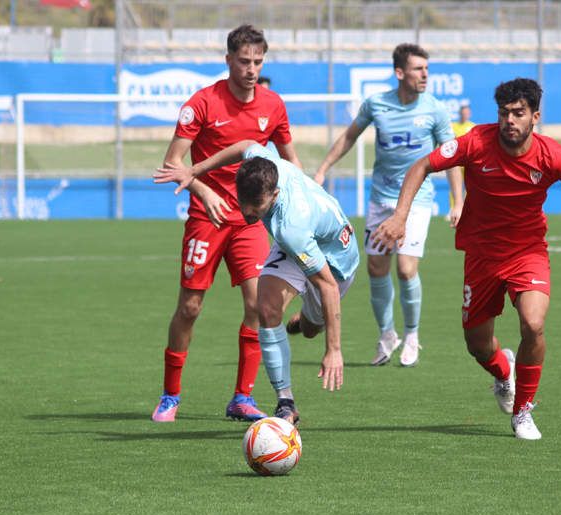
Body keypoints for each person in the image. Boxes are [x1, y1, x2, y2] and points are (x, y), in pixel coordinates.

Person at [371, 78, 561, 440]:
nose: (510, 121)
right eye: (504, 113)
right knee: (478, 345)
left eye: (519, 113)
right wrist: (401, 216)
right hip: (481, 258)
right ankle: (503, 374)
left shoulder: (550, 155)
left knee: (533, 324)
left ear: (535, 117)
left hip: (527, 254)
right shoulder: (475, 143)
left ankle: (523, 412)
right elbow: (421, 166)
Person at [150, 24, 301, 423]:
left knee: (257, 304)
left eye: (258, 62)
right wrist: (205, 191)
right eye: (244, 61)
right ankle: (170, 394)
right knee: (191, 307)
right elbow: (173, 164)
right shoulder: (202, 103)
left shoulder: (274, 105)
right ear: (228, 60)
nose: (251, 69)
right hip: (207, 217)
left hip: (250, 220)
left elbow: (291, 163)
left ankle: (241, 398)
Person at [156, 140, 360, 425]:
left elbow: (327, 285)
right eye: (244, 203)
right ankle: (286, 403)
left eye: (258, 206)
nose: (249, 212)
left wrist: (334, 350)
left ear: (275, 194)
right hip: (298, 245)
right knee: (265, 309)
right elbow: (245, 145)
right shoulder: (261, 163)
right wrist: (195, 170)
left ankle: (305, 320)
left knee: (313, 328)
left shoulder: (292, 228)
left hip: (335, 259)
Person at [312, 43, 463, 368]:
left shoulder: (435, 109)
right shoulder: (377, 104)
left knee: (406, 268)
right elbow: (349, 136)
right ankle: (387, 334)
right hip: (380, 198)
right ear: (400, 73)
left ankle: (411, 335)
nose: (425, 75)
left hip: (418, 200)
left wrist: (458, 199)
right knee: (375, 268)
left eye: (427, 68)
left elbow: (451, 156)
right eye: (418, 69)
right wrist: (324, 169)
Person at [448, 98, 476, 217]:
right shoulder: (452, 126)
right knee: (455, 185)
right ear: (459, 112)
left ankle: (467, 210)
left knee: (470, 187)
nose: (464, 113)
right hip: (456, 162)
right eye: (462, 111)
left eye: (466, 111)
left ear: (469, 113)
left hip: (468, 162)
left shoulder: (473, 127)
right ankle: (453, 209)